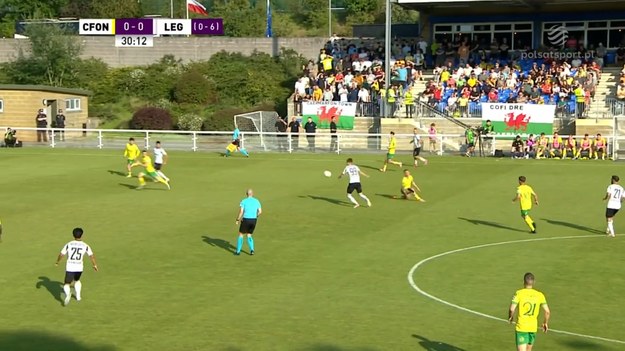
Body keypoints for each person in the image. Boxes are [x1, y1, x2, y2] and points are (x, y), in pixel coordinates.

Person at [55, 228, 98, 306]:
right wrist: (94, 265)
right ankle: (78, 297)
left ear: (73, 235)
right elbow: (91, 256)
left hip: (70, 267)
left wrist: (57, 262)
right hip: (79, 267)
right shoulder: (85, 245)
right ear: (82, 235)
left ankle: (68, 294)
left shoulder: (69, 244)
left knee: (67, 284)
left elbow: (61, 254)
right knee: (77, 280)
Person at [508, 273, 550, 351]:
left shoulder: (519, 293)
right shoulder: (540, 295)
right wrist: (545, 323)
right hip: (533, 328)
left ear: (523, 282)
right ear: (534, 282)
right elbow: (547, 311)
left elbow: (511, 309)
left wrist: (510, 317)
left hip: (522, 328)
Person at [235, 189, 262, 255]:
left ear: (246, 194)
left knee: (241, 234)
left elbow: (241, 212)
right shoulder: (257, 201)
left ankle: (238, 251)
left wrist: (237, 219)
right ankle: (252, 250)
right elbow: (260, 212)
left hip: (246, 219)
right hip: (254, 220)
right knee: (249, 234)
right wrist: (256, 216)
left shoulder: (243, 201)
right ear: (252, 194)